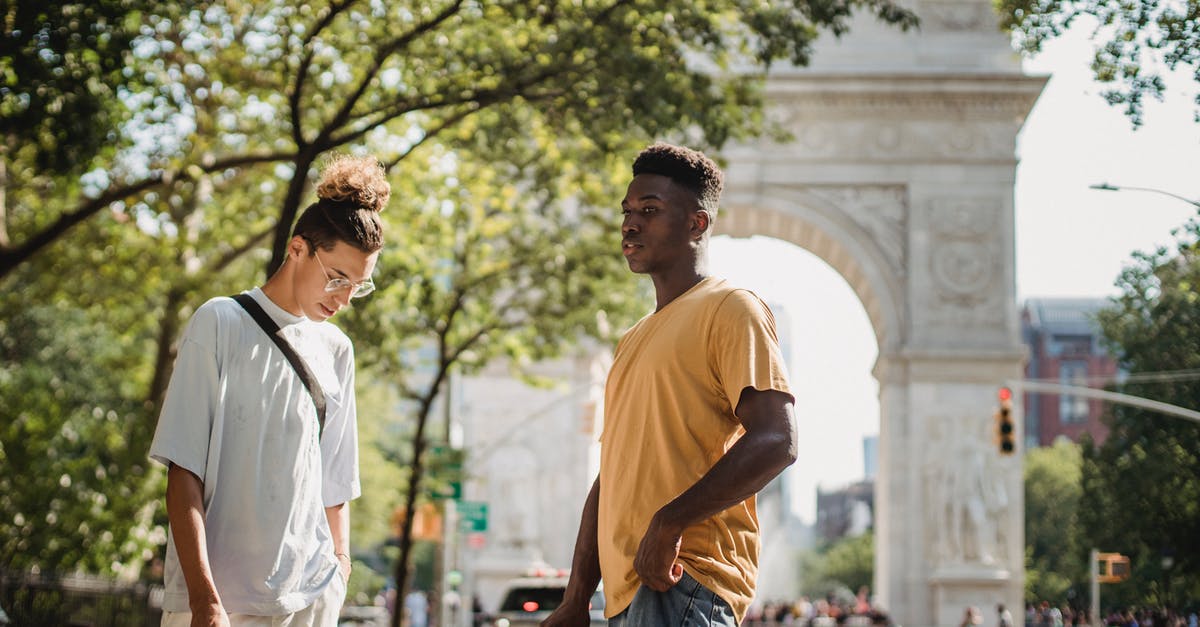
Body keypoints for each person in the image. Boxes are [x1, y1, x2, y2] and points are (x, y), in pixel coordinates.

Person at [541, 143, 797, 626]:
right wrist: (576, 597)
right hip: (627, 595)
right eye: (628, 211)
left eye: (650, 210)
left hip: (684, 582)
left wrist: (669, 522)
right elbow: (612, 475)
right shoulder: (631, 340)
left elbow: (778, 439)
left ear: (696, 224)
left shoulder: (732, 308)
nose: (630, 224)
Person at [149, 155, 389, 626]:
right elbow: (183, 473)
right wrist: (204, 599)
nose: (343, 300)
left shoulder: (337, 350)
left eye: (358, 287)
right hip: (219, 604)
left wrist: (339, 570)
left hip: (310, 599)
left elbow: (336, 484)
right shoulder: (220, 322)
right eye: (337, 278)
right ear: (298, 248)